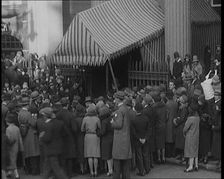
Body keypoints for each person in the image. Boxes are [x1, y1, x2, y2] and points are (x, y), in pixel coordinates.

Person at [39, 107, 68, 179]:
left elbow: (47, 138)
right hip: (57, 148)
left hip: (50, 150)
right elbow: (65, 133)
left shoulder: (48, 125)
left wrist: (42, 136)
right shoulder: (58, 123)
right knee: (47, 169)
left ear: (45, 116)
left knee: (57, 170)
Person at [111, 91, 133, 179]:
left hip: (119, 141)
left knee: (117, 166)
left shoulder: (119, 110)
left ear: (117, 99)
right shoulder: (125, 109)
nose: (114, 100)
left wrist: (112, 122)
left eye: (114, 98)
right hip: (126, 140)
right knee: (125, 167)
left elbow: (118, 125)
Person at [18, 96, 40, 175]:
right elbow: (33, 124)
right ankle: (34, 171)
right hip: (30, 133)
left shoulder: (20, 113)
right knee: (33, 153)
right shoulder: (28, 114)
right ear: (27, 105)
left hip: (23, 133)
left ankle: (27, 170)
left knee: (26, 153)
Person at [56, 97, 77, 177]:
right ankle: (69, 174)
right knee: (69, 157)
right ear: (68, 104)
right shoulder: (70, 115)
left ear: (61, 105)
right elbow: (74, 128)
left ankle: (63, 173)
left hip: (60, 138)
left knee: (62, 157)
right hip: (69, 138)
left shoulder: (57, 115)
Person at [81, 104, 101, 177]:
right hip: (95, 136)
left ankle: (91, 172)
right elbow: (100, 127)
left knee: (89, 155)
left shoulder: (85, 118)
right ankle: (96, 172)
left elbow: (82, 129)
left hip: (88, 136)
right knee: (95, 155)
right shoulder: (97, 118)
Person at [131, 102, 150, 176]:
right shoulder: (146, 118)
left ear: (135, 110)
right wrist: (145, 138)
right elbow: (149, 129)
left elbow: (133, 132)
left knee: (139, 156)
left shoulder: (134, 120)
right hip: (145, 138)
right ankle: (147, 169)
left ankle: (141, 171)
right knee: (145, 154)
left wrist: (139, 138)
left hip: (137, 140)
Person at [5, 113, 24, 179]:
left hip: (10, 147)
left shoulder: (8, 129)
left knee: (12, 161)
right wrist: (21, 147)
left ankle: (16, 175)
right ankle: (9, 173)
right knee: (13, 160)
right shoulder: (17, 128)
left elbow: (9, 139)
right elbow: (20, 138)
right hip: (16, 146)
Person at [183, 102, 200, 172]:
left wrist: (184, 133)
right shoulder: (198, 117)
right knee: (195, 150)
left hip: (190, 136)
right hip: (196, 136)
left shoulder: (190, 119)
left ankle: (190, 166)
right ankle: (196, 165)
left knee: (190, 152)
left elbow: (185, 128)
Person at [98, 105, 114, 176]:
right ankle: (112, 169)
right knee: (112, 155)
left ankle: (110, 170)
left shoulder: (104, 121)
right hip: (112, 138)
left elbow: (102, 132)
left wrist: (97, 132)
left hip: (106, 140)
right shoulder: (111, 119)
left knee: (108, 157)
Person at [152, 94, 167, 164]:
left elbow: (154, 118)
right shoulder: (164, 106)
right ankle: (163, 157)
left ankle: (159, 158)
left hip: (157, 126)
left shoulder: (154, 107)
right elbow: (167, 116)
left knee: (158, 143)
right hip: (164, 125)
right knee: (163, 143)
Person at [173, 95, 189, 163]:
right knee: (180, 142)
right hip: (180, 126)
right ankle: (181, 155)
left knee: (182, 143)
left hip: (181, 126)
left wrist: (176, 121)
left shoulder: (184, 108)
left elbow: (182, 118)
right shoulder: (181, 107)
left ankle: (183, 156)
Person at [142, 94, 155, 169]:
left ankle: (147, 165)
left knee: (146, 149)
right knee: (150, 148)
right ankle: (151, 163)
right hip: (152, 129)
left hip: (146, 130)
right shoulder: (152, 109)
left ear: (146, 102)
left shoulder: (145, 111)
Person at [165, 90, 179, 158]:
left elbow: (166, 115)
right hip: (174, 122)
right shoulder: (175, 103)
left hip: (168, 123)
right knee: (173, 138)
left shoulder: (167, 104)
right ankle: (174, 153)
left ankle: (169, 154)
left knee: (168, 139)